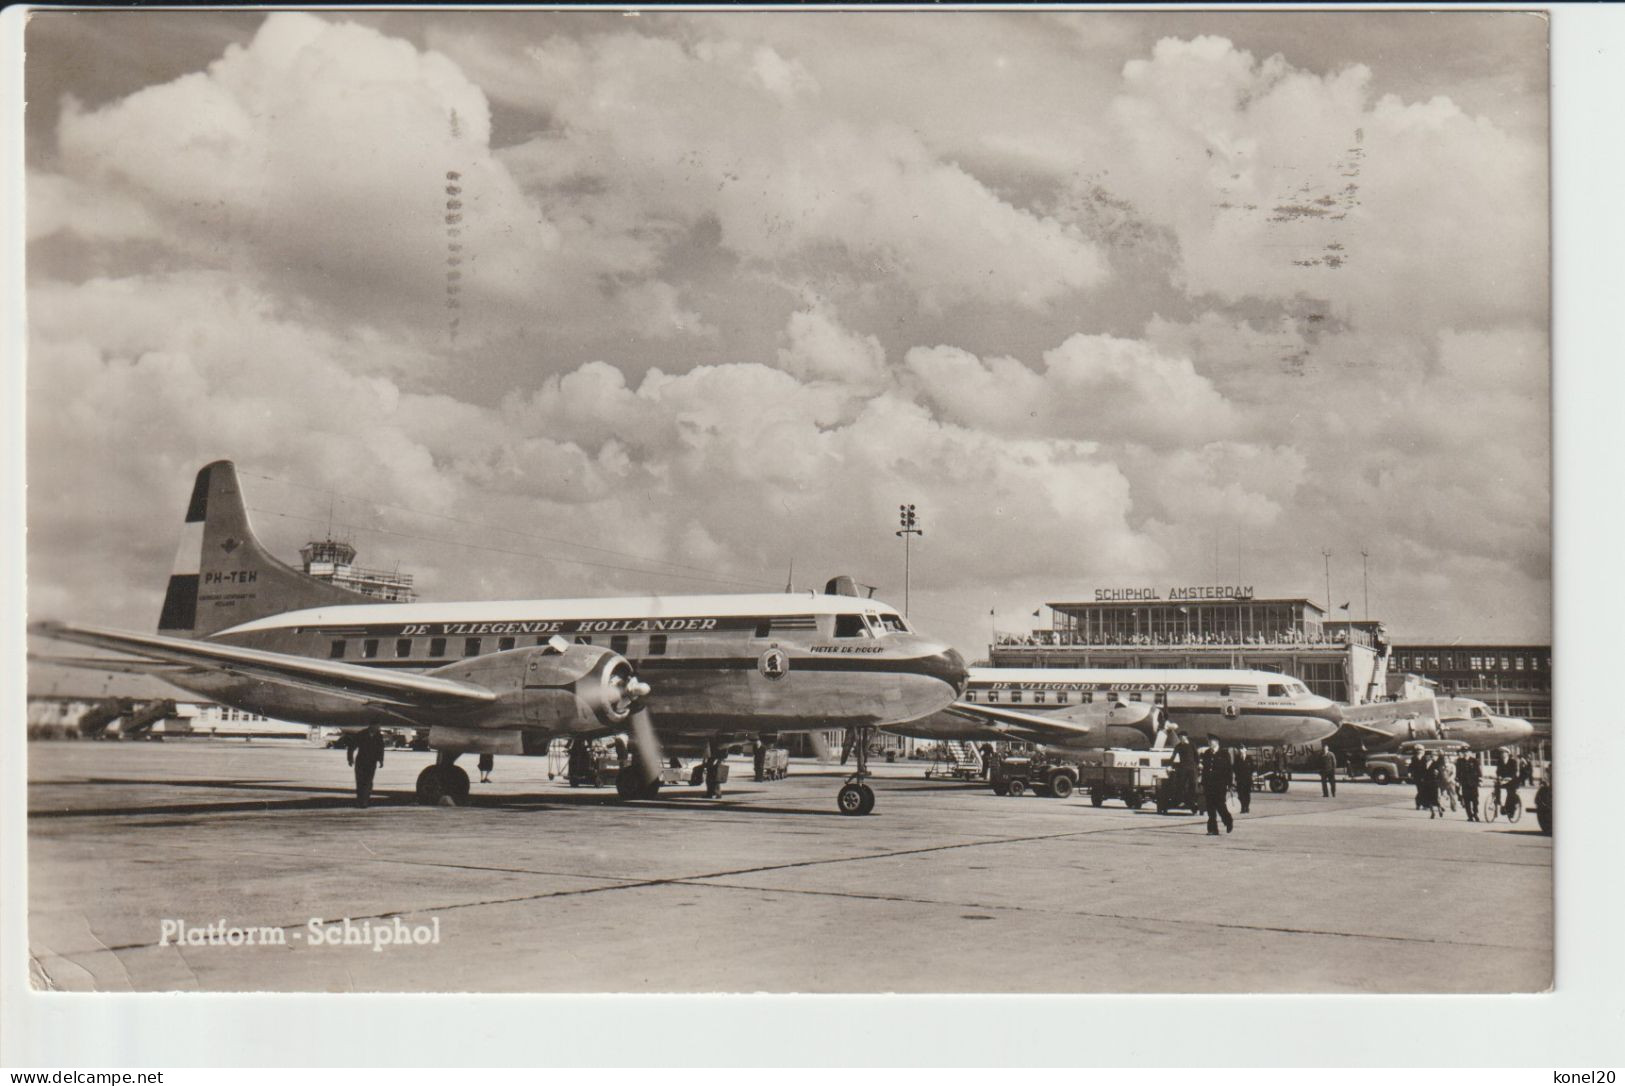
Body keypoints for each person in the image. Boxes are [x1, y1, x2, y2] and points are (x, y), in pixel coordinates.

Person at [1200, 736, 1234, 835]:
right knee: (1210, 807)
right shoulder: (1206, 753)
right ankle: (1212, 829)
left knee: (1220, 805)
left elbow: (1229, 770)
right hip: (1208, 784)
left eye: (1211, 741)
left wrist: (1229, 783)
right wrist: (1203, 783)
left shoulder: (1224, 753)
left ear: (1217, 742)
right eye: (1208, 741)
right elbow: (1205, 770)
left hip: (1220, 785)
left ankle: (1228, 821)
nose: (1209, 742)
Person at [347, 723, 386, 809]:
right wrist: (350, 759)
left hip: (372, 762)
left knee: (368, 782)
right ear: (371, 726)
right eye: (376, 726)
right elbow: (352, 746)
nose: (378, 728)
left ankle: (365, 801)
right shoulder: (361, 734)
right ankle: (360, 800)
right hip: (361, 761)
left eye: (378, 727)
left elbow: (381, 748)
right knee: (360, 781)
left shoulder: (378, 736)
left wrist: (381, 760)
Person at [1171, 733, 1199, 810]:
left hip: (1192, 767)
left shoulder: (1192, 745)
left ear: (1186, 737)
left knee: (1193, 783)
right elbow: (1173, 756)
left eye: (1182, 737)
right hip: (1183, 767)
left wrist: (1197, 764)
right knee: (1182, 784)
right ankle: (1182, 800)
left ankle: (1193, 800)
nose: (1181, 738)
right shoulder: (1178, 746)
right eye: (1179, 737)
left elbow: (1196, 755)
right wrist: (1169, 765)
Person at [1459, 752, 1481, 822]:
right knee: (1466, 801)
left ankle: (1475, 814)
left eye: (1467, 752)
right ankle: (1469, 816)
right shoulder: (1460, 761)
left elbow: (1478, 771)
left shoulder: (1474, 761)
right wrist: (1458, 781)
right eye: (1464, 752)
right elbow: (1458, 772)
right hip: (1464, 783)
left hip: (1473, 784)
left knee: (1475, 800)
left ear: (1470, 753)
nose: (1466, 754)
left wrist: (1479, 780)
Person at [1231, 744, 1253, 814]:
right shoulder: (1237, 758)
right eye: (1240, 749)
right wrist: (1237, 775)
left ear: (1246, 750)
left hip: (1248, 780)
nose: (1242, 750)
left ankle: (1246, 807)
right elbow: (1234, 768)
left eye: (1243, 749)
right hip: (1240, 779)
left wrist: (1249, 774)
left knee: (1247, 794)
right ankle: (1242, 807)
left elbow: (1253, 768)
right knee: (1240, 794)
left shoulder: (1249, 758)